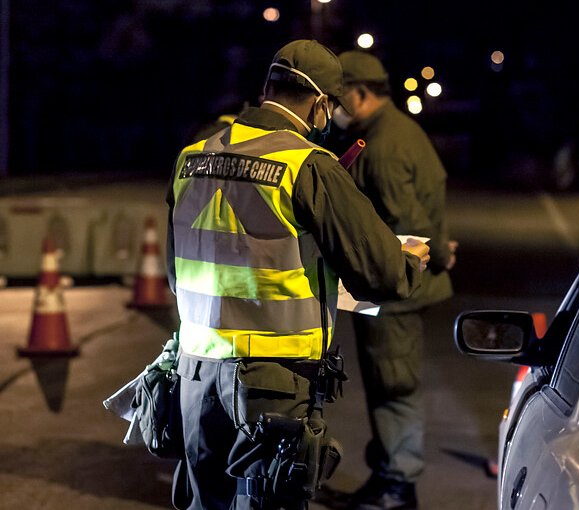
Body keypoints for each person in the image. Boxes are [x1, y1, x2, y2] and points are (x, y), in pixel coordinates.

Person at [165, 40, 430, 510]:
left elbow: (178, 270)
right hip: (272, 384)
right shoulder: (307, 166)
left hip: (196, 377)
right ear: (320, 103)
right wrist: (410, 262)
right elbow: (380, 274)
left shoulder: (192, 158)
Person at [330, 50, 455, 510]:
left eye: (339, 98)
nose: (334, 109)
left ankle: (397, 486)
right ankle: (388, 477)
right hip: (391, 289)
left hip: (393, 292)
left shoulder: (383, 146)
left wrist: (438, 251)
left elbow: (409, 225)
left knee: (394, 385)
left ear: (361, 93)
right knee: (388, 383)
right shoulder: (396, 132)